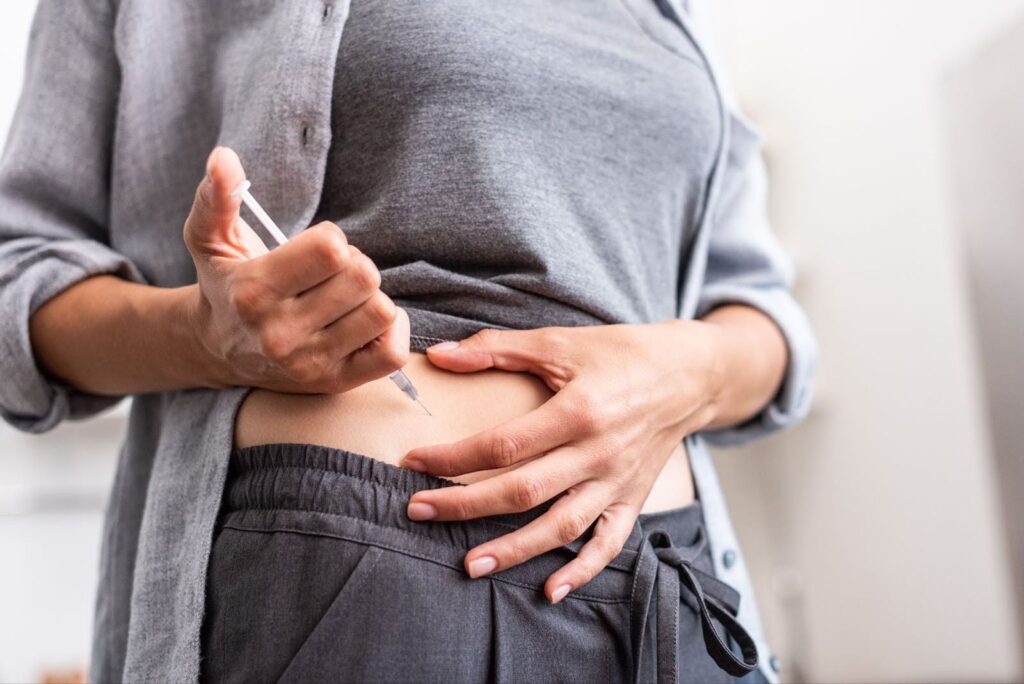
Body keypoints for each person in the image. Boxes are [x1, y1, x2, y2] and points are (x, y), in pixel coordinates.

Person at [0, 0, 816, 682]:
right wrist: (207, 338)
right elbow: (18, 277)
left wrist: (686, 376)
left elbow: (758, 313)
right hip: (370, 580)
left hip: (668, 579)